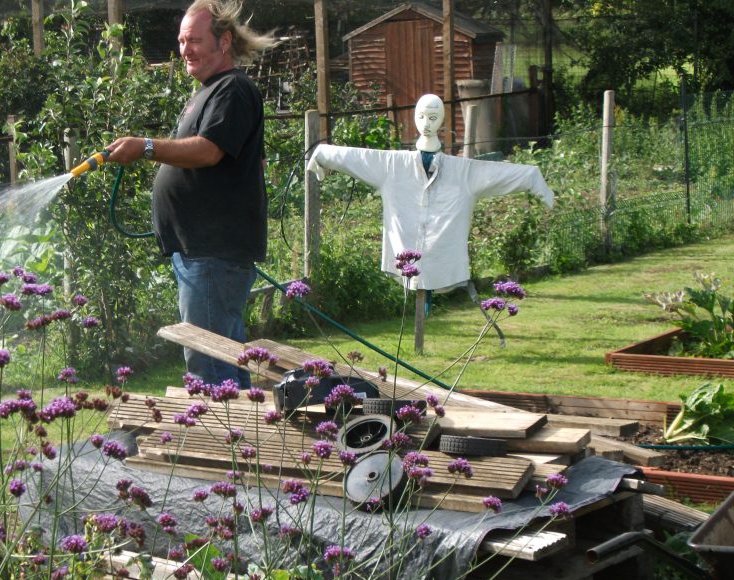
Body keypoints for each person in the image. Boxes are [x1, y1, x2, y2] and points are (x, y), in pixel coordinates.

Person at [106, 0, 275, 388]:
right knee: (224, 357)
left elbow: (209, 150)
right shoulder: (210, 91)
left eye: (195, 40)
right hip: (203, 252)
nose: (185, 50)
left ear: (224, 41)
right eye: (182, 41)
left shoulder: (233, 88)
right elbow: (251, 163)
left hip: (214, 254)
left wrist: (145, 147)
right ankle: (239, 443)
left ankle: (220, 443)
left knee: (209, 361)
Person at [307, 93, 554, 295]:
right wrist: (321, 156)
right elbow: (356, 157)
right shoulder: (392, 166)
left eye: (433, 117)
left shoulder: (463, 172)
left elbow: (497, 174)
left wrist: (533, 179)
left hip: (444, 262)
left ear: (442, 121)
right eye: (422, 117)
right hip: (403, 256)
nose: (426, 124)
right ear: (414, 118)